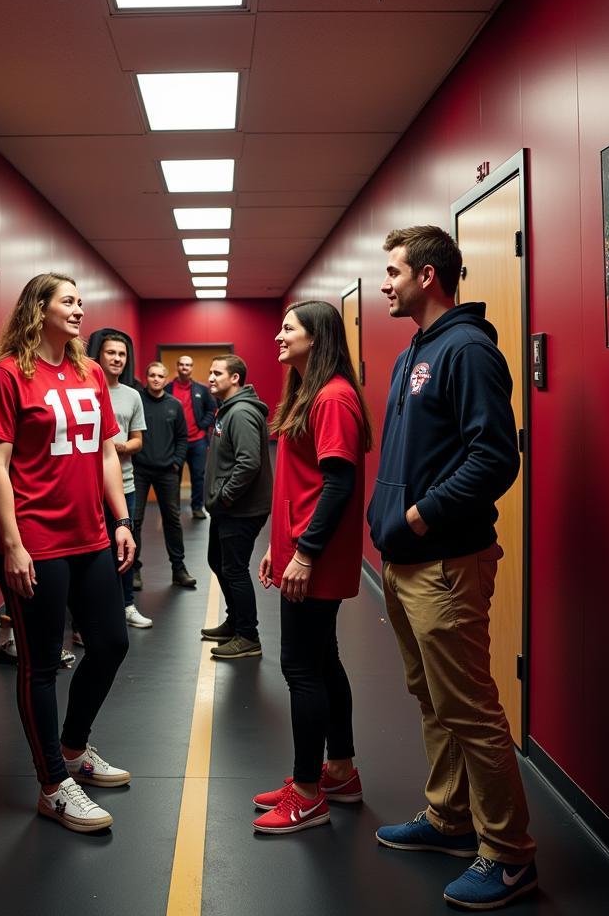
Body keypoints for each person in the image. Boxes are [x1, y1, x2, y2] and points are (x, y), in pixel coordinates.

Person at [370, 225, 536, 910]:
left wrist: (420, 515)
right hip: (407, 564)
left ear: (428, 276)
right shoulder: (418, 347)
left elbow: (494, 457)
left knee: (468, 707)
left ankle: (509, 856)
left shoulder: (465, 349)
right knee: (433, 698)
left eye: (394, 270)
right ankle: (449, 818)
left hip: (445, 560)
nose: (386, 282)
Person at [0, 273, 135, 834]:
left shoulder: (90, 371)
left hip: (91, 535)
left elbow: (107, 455)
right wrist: (12, 543)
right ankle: (52, 785)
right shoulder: (7, 373)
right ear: (37, 309)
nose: (79, 309)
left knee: (112, 642)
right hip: (38, 542)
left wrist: (121, 520)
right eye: (67, 301)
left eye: (79, 301)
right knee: (40, 663)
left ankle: (72, 749)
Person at [252, 301, 371, 834]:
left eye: (288, 329)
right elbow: (301, 484)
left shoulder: (334, 397)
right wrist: (280, 544)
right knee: (323, 662)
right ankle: (340, 771)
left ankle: (306, 794)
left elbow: (338, 485)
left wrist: (304, 552)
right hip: (302, 551)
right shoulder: (309, 393)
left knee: (301, 669)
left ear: (316, 338)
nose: (278, 336)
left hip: (315, 560)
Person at [0, 345, 76, 670]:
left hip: (39, 489)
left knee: (30, 576)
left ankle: (18, 643)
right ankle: (37, 650)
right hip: (5, 488)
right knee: (18, 570)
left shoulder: (60, 369)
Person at [201, 354, 272, 659]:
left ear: (235, 379)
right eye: (211, 373)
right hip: (226, 508)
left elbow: (248, 463)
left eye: (218, 373)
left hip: (240, 509)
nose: (211, 378)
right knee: (218, 562)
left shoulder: (240, 413)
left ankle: (248, 636)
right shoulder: (227, 410)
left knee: (234, 569)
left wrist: (225, 497)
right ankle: (236, 621)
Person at [92, 332, 152, 629]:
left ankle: (127, 605)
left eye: (122, 354)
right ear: (99, 356)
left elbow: (138, 440)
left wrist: (121, 448)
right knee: (94, 553)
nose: (117, 359)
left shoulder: (132, 395)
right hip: (90, 488)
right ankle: (88, 616)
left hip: (125, 485)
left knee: (126, 547)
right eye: (111, 353)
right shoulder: (87, 387)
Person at [132, 362, 195, 589]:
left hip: (167, 471)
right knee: (134, 521)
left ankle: (178, 569)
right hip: (139, 470)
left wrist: (177, 463)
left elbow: (182, 438)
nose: (156, 379)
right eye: (152, 375)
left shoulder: (174, 405)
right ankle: (133, 570)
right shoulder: (136, 400)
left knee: (172, 520)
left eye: (160, 376)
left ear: (166, 379)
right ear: (146, 377)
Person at [168, 355, 216, 519]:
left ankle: (197, 507)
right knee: (174, 477)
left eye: (188, 365)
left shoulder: (201, 390)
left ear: (191, 368)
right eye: (181, 364)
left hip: (198, 441)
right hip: (176, 442)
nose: (185, 368)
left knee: (198, 476)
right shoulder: (168, 389)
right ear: (177, 367)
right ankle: (174, 509)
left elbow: (212, 410)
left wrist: (203, 425)